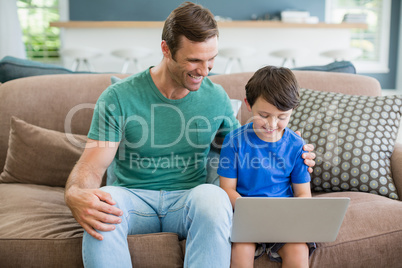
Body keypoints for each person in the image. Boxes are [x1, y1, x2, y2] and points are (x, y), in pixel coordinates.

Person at [64, 2, 316, 267]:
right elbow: (91, 166)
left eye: (211, 60)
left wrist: (291, 145)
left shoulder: (215, 96)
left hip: (189, 199)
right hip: (133, 198)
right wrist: (75, 193)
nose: (205, 71)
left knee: (214, 197)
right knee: (102, 203)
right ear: (166, 50)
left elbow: (247, 144)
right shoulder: (118, 97)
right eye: (194, 60)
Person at [218, 66, 317, 268]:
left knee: (299, 250)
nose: (272, 124)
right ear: (248, 105)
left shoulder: (297, 145)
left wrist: (289, 215)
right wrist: (252, 211)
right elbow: (227, 189)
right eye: (264, 115)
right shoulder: (234, 141)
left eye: (282, 117)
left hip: (284, 218)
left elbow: (303, 194)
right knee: (240, 250)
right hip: (246, 216)